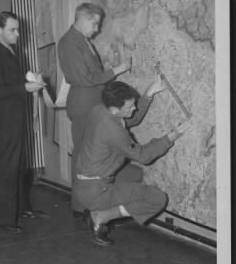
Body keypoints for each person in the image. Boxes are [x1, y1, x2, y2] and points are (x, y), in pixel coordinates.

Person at [74, 80, 189, 246]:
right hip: (96, 191)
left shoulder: (99, 110)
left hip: (84, 184)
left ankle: (100, 209)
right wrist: (172, 136)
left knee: (135, 174)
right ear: (114, 109)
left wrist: (148, 94)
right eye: (130, 106)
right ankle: (99, 216)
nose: (134, 108)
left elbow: (130, 119)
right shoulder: (112, 131)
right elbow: (144, 156)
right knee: (157, 198)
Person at [58, 3, 130, 214]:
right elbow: (84, 78)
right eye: (95, 23)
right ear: (82, 18)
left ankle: (90, 204)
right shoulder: (69, 42)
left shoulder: (81, 41)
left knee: (91, 156)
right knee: (82, 156)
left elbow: (92, 73)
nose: (97, 28)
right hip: (83, 105)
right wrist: (117, 70)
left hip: (92, 104)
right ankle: (80, 207)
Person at [0, 11, 46, 234]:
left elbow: (11, 78)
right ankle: (4, 220)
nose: (18, 34)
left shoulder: (9, 51)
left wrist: (29, 76)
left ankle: (21, 208)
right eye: (12, 30)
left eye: (17, 29)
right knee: (6, 165)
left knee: (20, 162)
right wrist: (24, 88)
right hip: (6, 114)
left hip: (17, 112)